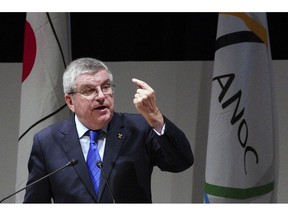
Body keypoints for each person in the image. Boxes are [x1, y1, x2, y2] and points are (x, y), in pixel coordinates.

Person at [23, 57, 194, 203]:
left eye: (106, 87)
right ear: (70, 101)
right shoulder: (47, 142)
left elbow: (181, 162)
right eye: (89, 90)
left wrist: (156, 118)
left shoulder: (138, 129)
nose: (101, 96)